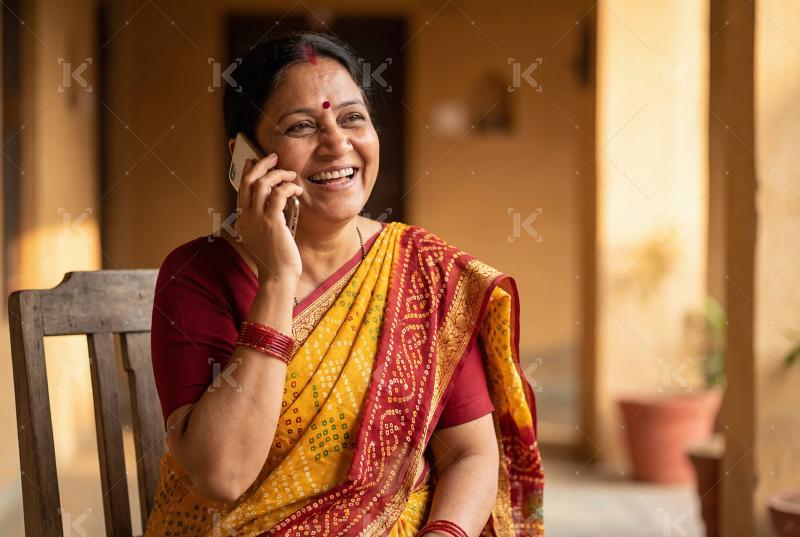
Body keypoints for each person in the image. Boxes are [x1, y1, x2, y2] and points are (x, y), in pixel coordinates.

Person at [144, 31, 543, 537]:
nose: (337, 143)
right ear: (247, 158)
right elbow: (222, 475)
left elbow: (470, 453)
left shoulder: (423, 273)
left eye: (352, 117)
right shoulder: (197, 275)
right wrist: (277, 278)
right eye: (302, 126)